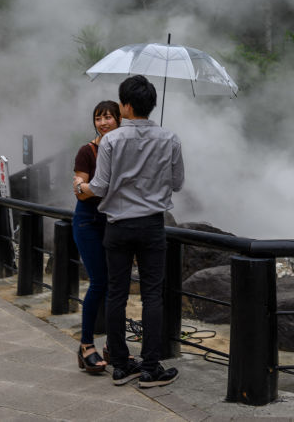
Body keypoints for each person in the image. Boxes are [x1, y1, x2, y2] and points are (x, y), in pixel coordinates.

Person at [74, 75, 184, 388]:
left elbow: (99, 186)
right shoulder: (170, 139)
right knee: (152, 295)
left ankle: (121, 366)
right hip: (151, 225)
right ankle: (151, 367)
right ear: (151, 105)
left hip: (117, 226)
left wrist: (81, 186)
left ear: (124, 106)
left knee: (117, 293)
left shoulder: (111, 140)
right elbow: (177, 183)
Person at [71, 100, 121, 375]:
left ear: (119, 120)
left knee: (116, 285)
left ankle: (114, 345)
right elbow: (79, 191)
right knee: (99, 283)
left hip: (113, 222)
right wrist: (94, 187)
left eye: (109, 117)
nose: (103, 123)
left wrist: (90, 187)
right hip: (88, 222)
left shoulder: (123, 151)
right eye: (99, 118)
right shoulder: (87, 151)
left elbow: (87, 187)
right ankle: (86, 345)